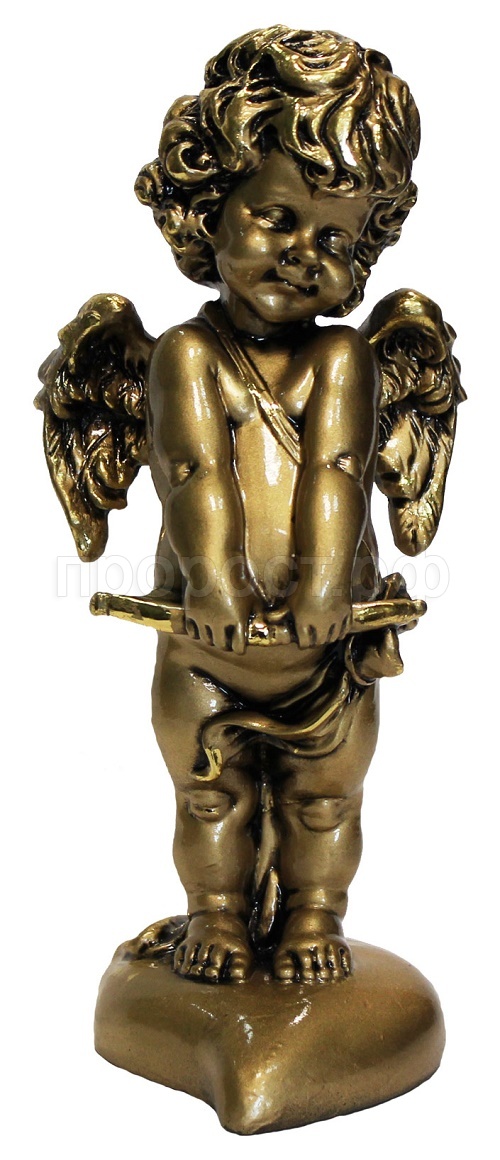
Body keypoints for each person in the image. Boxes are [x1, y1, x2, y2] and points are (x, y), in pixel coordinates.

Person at [131, 26, 421, 983]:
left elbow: (339, 470)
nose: (304, 256)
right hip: (205, 649)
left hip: (328, 653)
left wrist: (327, 590)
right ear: (209, 206)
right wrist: (212, 584)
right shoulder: (187, 354)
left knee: (324, 802)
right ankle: (215, 915)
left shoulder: (345, 358)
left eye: (336, 238)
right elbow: (192, 473)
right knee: (209, 796)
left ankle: (311, 916)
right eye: (277, 218)